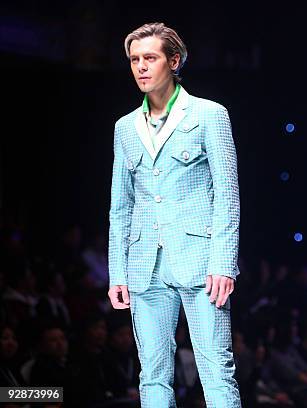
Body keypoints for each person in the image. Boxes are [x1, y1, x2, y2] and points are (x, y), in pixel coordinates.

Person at [107, 22, 242, 407]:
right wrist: (118, 270)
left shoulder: (208, 114)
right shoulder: (125, 128)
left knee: (215, 369)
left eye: (150, 58)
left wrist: (223, 263)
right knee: (152, 373)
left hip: (201, 262)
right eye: (135, 60)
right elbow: (121, 205)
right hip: (144, 264)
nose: (141, 67)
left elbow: (227, 194)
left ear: (174, 60)